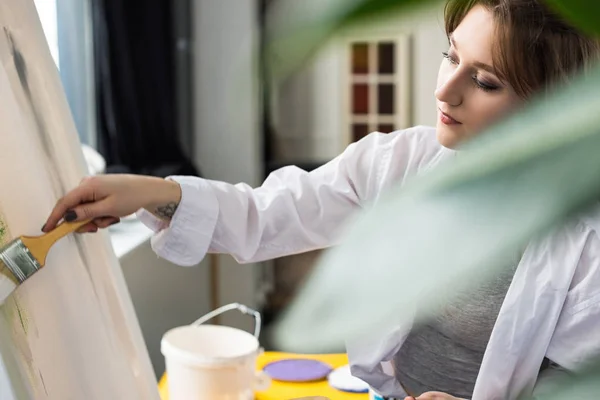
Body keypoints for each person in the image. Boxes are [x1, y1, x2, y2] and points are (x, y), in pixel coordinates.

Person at [43, 0, 600, 399]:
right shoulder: (399, 163)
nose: (444, 90)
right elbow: (268, 212)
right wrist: (147, 190)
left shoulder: (584, 234)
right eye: (450, 57)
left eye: (485, 82)